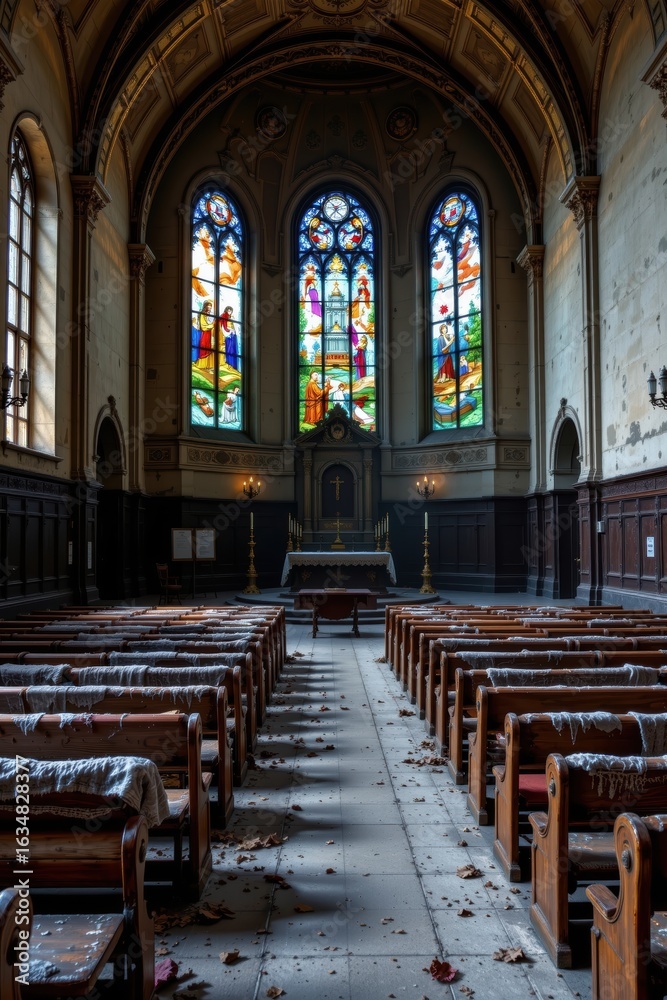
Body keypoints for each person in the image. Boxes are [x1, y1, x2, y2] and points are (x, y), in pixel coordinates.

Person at [194, 299, 215, 370]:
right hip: (205, 334)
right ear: (205, 307)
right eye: (208, 307)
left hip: (208, 334)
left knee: (208, 348)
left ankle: (208, 365)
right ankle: (202, 365)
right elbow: (203, 326)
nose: (210, 308)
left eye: (210, 307)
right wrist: (212, 325)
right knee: (204, 348)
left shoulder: (206, 315)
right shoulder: (203, 314)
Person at [220, 305, 240, 371]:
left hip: (233, 335)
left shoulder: (231, 317)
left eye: (231, 311)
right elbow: (224, 326)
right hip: (228, 335)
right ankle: (229, 364)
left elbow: (235, 326)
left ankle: (233, 366)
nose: (230, 312)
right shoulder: (224, 316)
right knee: (229, 349)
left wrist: (233, 330)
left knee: (233, 349)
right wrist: (230, 330)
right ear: (226, 310)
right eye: (228, 311)